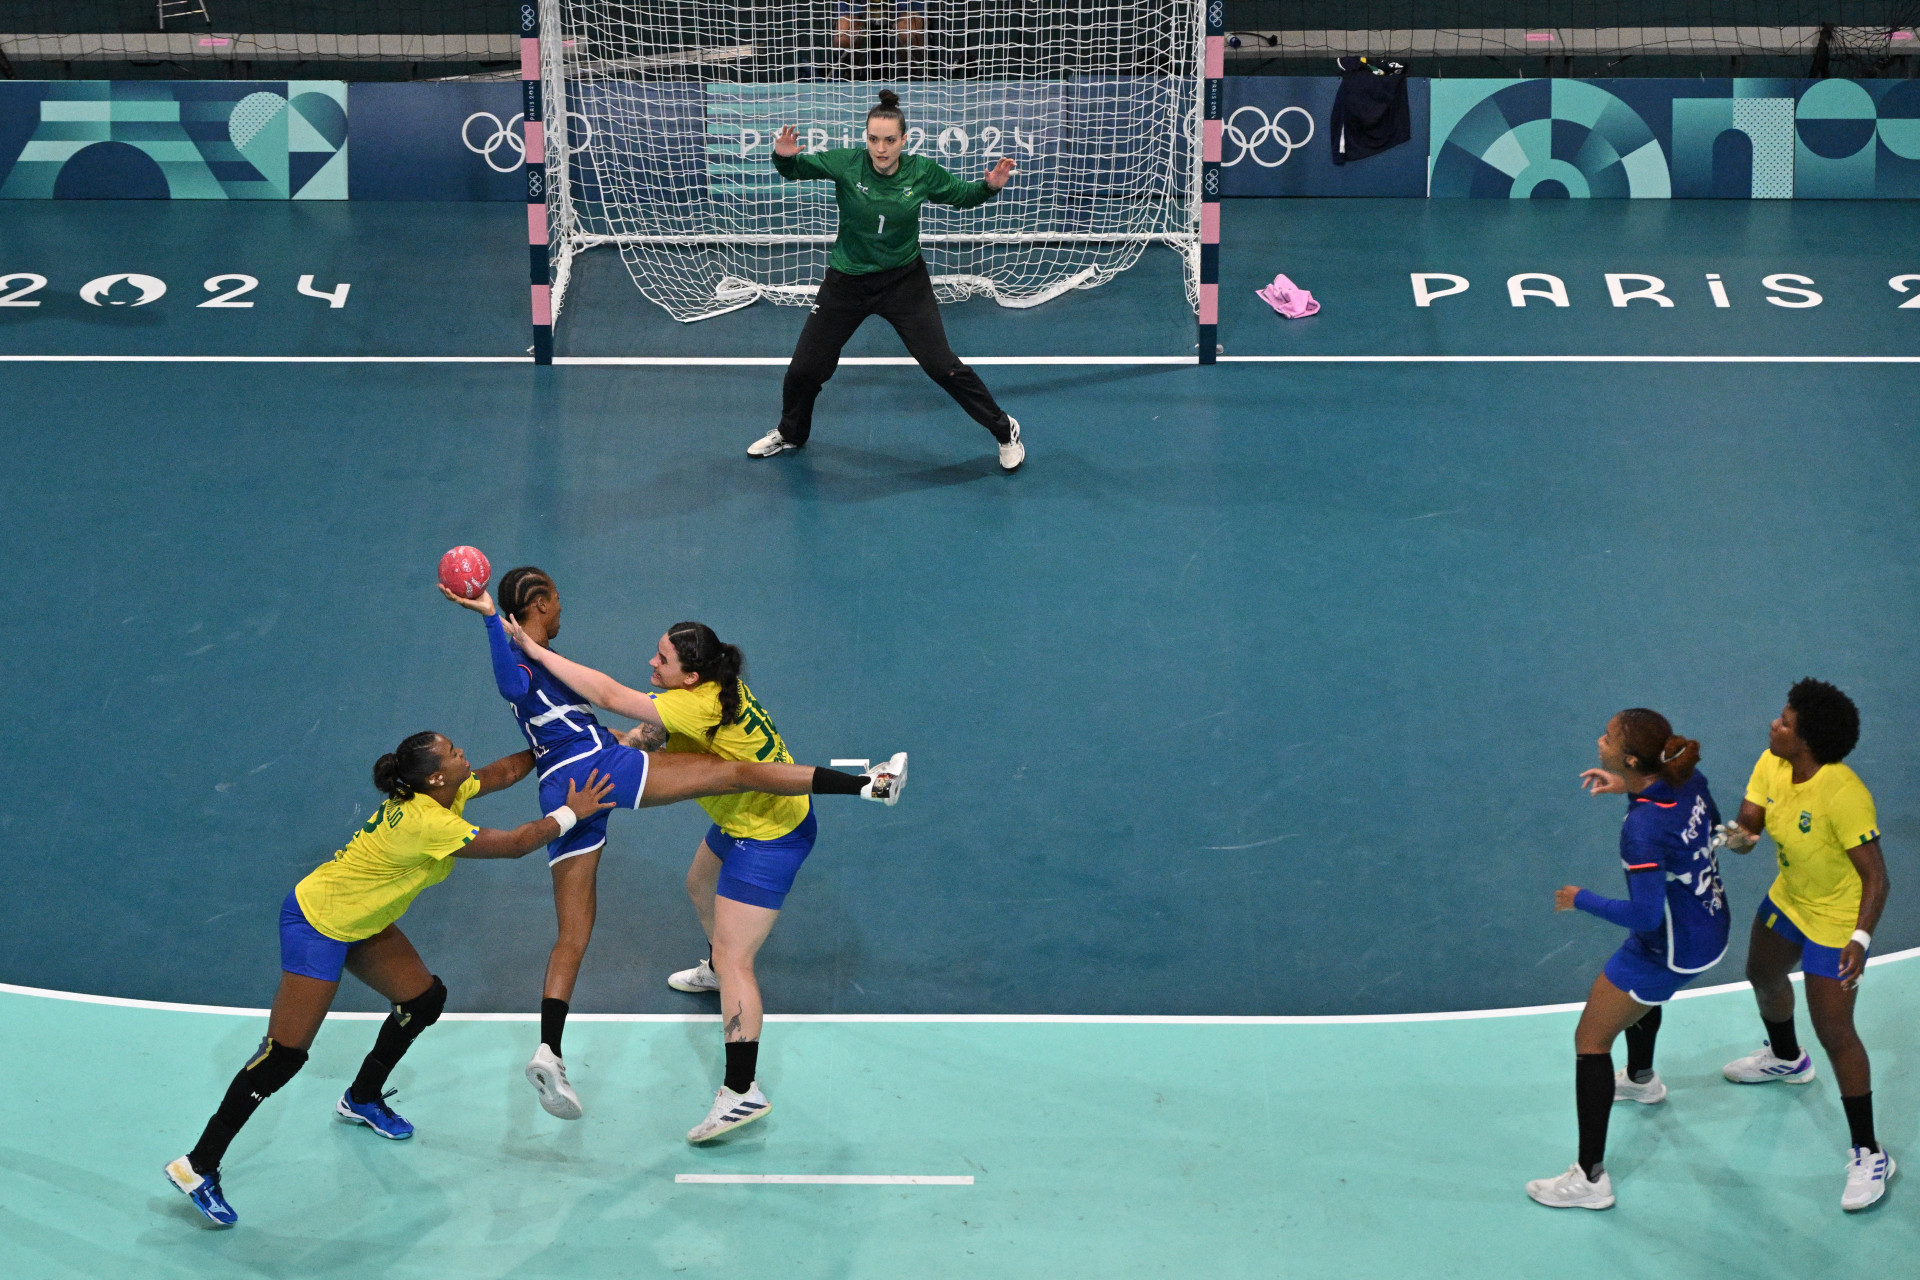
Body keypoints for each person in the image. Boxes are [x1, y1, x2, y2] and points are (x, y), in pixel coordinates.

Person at [443, 569, 904, 1123]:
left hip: (568, 787)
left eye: (661, 660)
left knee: (583, 933)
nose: (651, 664)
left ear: (690, 676)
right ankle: (867, 785)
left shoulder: (530, 677)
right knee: (729, 793)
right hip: (602, 770)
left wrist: (498, 626)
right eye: (557, 600)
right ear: (539, 604)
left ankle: (563, 1053)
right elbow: (610, 700)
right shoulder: (574, 670)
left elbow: (591, 710)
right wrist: (496, 619)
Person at [164, 732, 619, 1227]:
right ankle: (198, 1165)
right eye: (453, 752)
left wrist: (558, 746)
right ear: (436, 776)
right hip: (318, 923)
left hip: (362, 920)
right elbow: (513, 845)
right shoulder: (428, 821)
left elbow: (504, 772)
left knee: (423, 1000)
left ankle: (360, 1098)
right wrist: (573, 811)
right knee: (283, 1057)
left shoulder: (443, 790)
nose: (463, 752)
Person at [747, 88, 1026, 472]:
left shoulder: (921, 172)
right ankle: (791, 433)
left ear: (904, 140)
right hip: (847, 282)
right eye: (874, 139)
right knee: (805, 370)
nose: (881, 148)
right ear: (866, 139)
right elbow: (796, 169)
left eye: (890, 140)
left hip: (903, 284)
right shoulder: (847, 164)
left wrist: (990, 187)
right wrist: (782, 156)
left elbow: (962, 195)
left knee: (943, 366)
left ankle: (1003, 428)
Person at [1526, 709, 1728, 1210]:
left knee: (1590, 1041)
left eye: (1609, 737)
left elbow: (1642, 914)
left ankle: (1589, 1180)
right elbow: (1703, 824)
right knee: (1639, 999)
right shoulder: (1685, 778)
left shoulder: (1641, 830)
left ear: (1633, 757)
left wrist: (1581, 897)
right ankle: (1641, 1081)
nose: (1600, 740)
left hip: (1669, 946)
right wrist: (1626, 787)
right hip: (1710, 923)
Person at [1717, 679, 1894, 1211]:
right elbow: (1750, 826)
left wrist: (1860, 939)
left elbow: (1877, 879)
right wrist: (1737, 837)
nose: (1775, 724)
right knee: (1761, 973)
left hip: (1836, 921)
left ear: (1808, 741)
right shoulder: (1772, 762)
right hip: (1790, 899)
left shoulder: (1844, 795)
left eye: (1787, 723)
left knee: (1836, 1031)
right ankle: (1787, 1058)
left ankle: (1870, 1152)